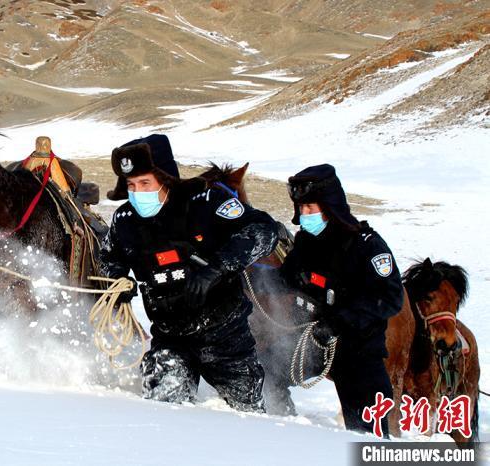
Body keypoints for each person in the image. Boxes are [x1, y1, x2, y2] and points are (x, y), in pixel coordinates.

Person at [100, 135, 278, 412]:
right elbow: (110, 256)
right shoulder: (124, 220)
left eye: (145, 183)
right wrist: (117, 279)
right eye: (131, 185)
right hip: (169, 336)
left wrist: (216, 269)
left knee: (248, 418)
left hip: (225, 335)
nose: (137, 192)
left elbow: (264, 230)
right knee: (161, 412)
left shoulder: (206, 203)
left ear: (165, 178)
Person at [280, 163, 403, 436]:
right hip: (311, 340)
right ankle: (277, 432)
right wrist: (294, 279)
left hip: (358, 350)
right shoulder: (306, 242)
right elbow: (284, 278)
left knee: (367, 431)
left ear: (330, 206)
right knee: (267, 373)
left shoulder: (367, 244)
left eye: (311, 208)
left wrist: (340, 322)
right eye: (301, 209)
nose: (304, 215)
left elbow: (391, 297)